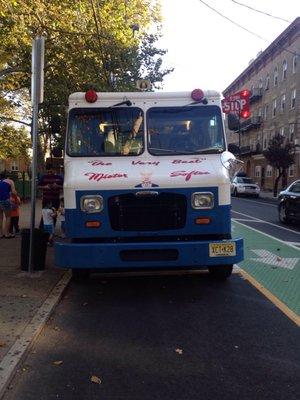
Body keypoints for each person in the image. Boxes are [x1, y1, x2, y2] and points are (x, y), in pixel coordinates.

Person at [0, 172, 16, 238]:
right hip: (5, 199)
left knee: (0, 217)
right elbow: (13, 192)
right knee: (8, 217)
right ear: (7, 177)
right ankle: (7, 233)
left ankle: (0, 234)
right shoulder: (10, 181)